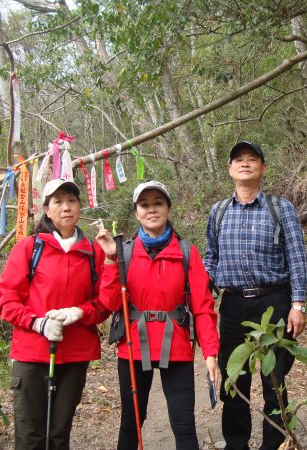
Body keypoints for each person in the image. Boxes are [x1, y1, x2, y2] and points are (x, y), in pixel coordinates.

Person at [96, 180, 219, 450]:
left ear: (168, 208)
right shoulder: (124, 252)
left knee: (183, 423)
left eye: (158, 203)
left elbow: (203, 306)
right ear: (137, 212)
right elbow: (109, 302)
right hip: (132, 346)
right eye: (145, 205)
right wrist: (109, 260)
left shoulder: (187, 252)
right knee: (131, 422)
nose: (152, 210)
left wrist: (210, 352)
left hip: (175, 345)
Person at [203, 141, 307, 450]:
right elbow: (211, 257)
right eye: (238, 159)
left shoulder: (281, 208)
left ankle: (276, 443)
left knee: (274, 376)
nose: (245, 163)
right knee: (234, 377)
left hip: (273, 301)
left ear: (263, 168)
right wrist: (203, 288)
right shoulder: (219, 211)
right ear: (230, 169)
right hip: (233, 305)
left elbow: (297, 258)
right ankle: (237, 443)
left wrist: (298, 304)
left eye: (252, 159)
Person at [0, 178, 110, 449]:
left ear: (80, 207)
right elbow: (7, 300)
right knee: (30, 435)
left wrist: (78, 312)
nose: (66, 207)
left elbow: (105, 303)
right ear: (47, 210)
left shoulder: (93, 251)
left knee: (59, 434)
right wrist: (37, 323)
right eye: (58, 202)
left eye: (72, 201)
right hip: (32, 353)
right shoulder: (29, 247)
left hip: (75, 354)